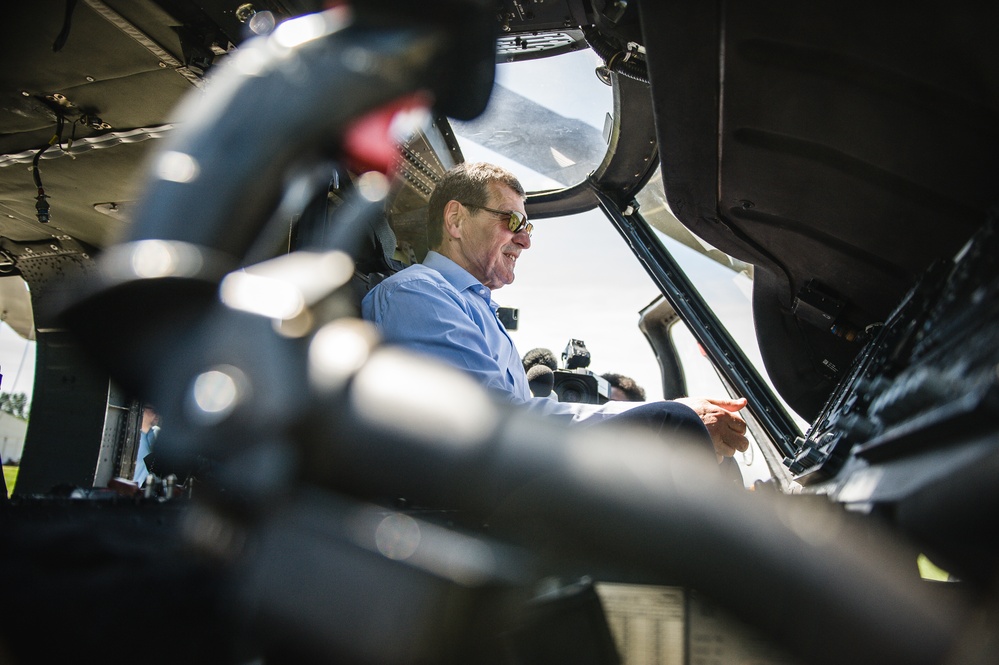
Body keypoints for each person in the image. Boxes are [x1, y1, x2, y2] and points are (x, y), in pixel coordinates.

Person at [361, 162, 748, 462]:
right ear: (456, 219)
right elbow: (500, 424)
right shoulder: (416, 294)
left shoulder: (471, 307)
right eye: (511, 221)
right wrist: (671, 422)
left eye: (528, 226)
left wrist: (666, 410)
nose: (526, 240)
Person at [132, 404, 160, 486]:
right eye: (154, 410)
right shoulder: (133, 436)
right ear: (142, 409)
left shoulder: (156, 434)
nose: (157, 414)